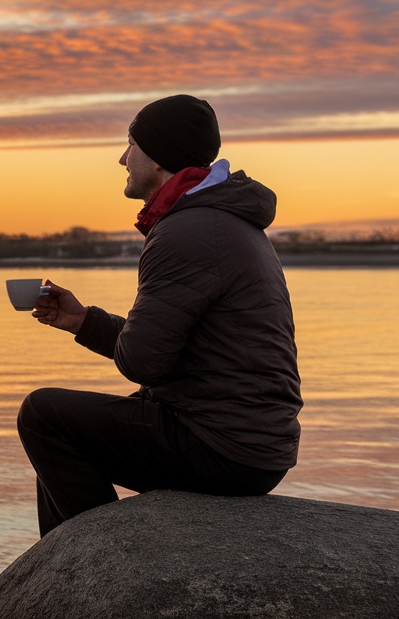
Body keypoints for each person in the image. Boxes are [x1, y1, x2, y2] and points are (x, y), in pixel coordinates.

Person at [18, 94, 302, 536]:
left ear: (158, 157)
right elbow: (166, 353)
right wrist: (80, 319)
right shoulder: (221, 218)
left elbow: (143, 363)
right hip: (251, 442)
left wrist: (101, 330)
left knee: (43, 415)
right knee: (64, 431)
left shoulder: (187, 231)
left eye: (130, 144)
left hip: (224, 447)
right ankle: (63, 572)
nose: (121, 158)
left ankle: (99, 561)